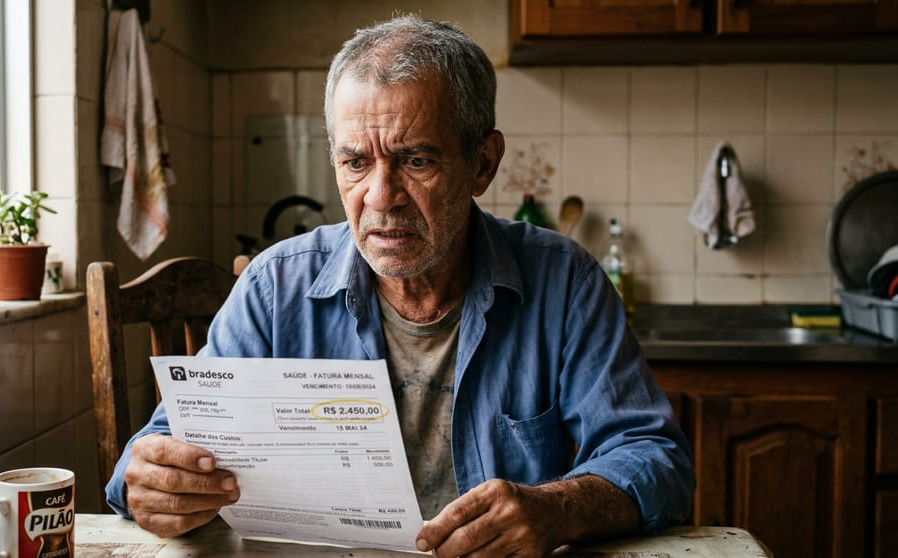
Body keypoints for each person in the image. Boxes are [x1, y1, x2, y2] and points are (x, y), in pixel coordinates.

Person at [107, 14, 694, 557]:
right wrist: (154, 483)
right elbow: (151, 461)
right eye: (355, 162)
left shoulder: (565, 282)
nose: (380, 197)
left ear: (483, 163)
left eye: (415, 161)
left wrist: (555, 509)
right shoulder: (273, 288)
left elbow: (656, 459)